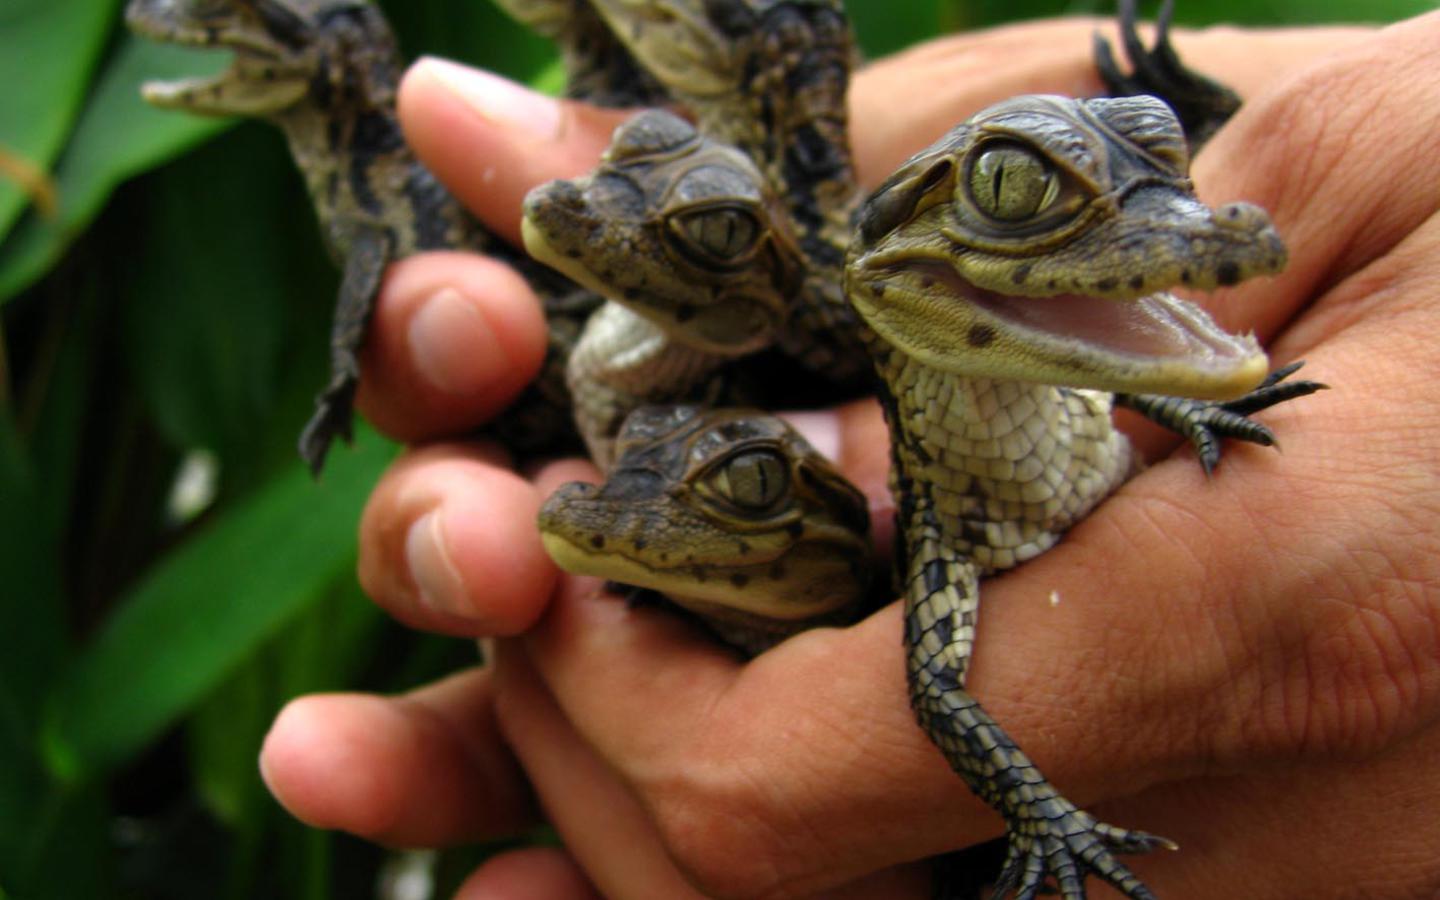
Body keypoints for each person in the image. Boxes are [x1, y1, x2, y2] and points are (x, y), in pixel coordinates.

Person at [257, 12, 1440, 899]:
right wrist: (1049, 819)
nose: (1201, 226)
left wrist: (1193, 404)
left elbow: (1116, 362)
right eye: (1022, 188)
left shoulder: (1068, 353)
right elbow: (938, 696)